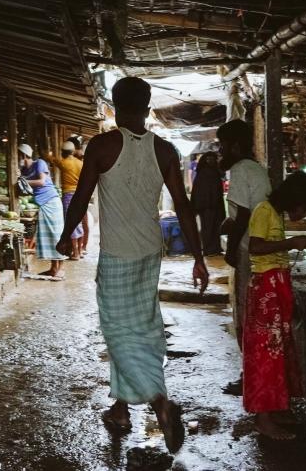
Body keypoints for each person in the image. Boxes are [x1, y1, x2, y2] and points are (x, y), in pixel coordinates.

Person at [57, 77, 209, 454]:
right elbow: (183, 206)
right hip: (148, 251)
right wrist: (200, 258)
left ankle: (159, 402)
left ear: (114, 104)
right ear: (148, 106)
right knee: (141, 325)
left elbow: (81, 196)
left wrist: (66, 233)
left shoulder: (103, 145)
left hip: (118, 254)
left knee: (118, 330)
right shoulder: (164, 150)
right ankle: (122, 409)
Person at [244, 172, 306, 440]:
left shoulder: (275, 214)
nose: (303, 213)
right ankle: (263, 418)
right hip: (265, 288)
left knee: (279, 352)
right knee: (267, 354)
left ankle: (275, 408)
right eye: (305, 206)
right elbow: (255, 247)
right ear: (295, 199)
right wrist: (291, 243)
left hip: (275, 286)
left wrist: (292, 245)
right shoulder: (263, 211)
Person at [217, 120, 271, 396]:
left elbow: (244, 217)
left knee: (246, 316)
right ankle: (254, 373)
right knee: (257, 316)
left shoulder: (239, 170)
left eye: (223, 145)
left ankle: (250, 376)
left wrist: (230, 250)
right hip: (262, 252)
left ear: (235, 145)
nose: (220, 150)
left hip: (249, 251)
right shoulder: (256, 170)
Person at [19, 143, 66, 278]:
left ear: (24, 155)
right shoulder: (24, 170)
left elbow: (41, 182)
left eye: (19, 155)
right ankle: (53, 268)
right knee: (50, 238)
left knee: (56, 235)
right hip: (42, 204)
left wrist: (23, 180)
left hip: (51, 201)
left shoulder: (39, 163)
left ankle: (59, 268)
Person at [46, 141, 84, 260]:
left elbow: (51, 159)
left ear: (63, 152)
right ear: (73, 151)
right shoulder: (80, 163)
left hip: (68, 194)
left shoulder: (63, 163)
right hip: (80, 194)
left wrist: (46, 153)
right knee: (78, 222)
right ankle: (80, 250)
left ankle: (76, 253)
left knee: (70, 223)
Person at [190, 152, 225, 256]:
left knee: (211, 227)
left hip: (210, 207)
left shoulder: (208, 173)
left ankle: (212, 249)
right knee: (209, 228)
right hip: (208, 207)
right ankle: (210, 249)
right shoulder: (207, 173)